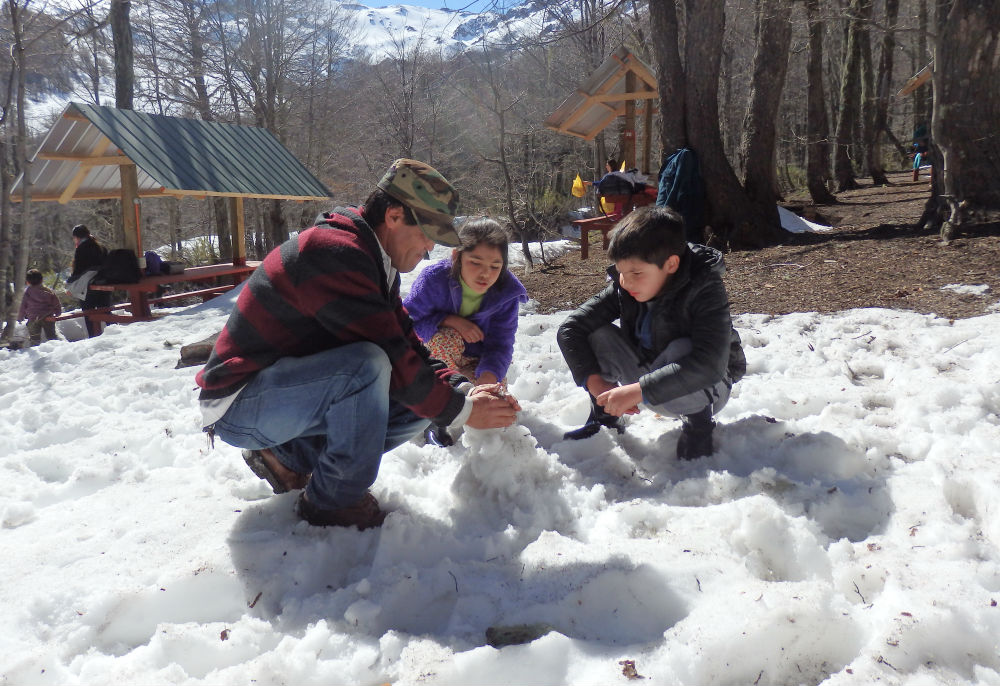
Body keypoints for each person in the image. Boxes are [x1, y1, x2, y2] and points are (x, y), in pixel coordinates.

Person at [196, 159, 521, 530]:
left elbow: (407, 343)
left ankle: (288, 458)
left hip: (287, 397)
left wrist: (463, 390)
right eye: (427, 232)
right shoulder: (334, 253)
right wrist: (462, 411)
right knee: (368, 365)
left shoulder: (373, 259)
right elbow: (388, 353)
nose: (430, 247)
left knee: (420, 401)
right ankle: (333, 501)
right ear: (395, 215)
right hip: (242, 402)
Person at [557, 205, 746, 460]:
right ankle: (605, 417)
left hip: (706, 389)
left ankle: (698, 428)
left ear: (671, 264)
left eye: (636, 273)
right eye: (621, 272)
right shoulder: (626, 286)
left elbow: (709, 365)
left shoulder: (705, 286)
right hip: (647, 376)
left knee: (683, 347)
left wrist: (636, 391)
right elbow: (571, 328)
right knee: (594, 333)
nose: (626, 282)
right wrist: (596, 384)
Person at [404, 216, 527, 386]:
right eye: (475, 263)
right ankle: (444, 390)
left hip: (480, 363)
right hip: (435, 364)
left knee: (496, 406)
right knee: (445, 339)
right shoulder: (434, 280)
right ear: (456, 256)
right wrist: (447, 320)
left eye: (495, 266)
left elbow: (500, 345)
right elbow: (408, 324)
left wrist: (487, 380)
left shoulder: (506, 293)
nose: (485, 274)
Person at [68, 225, 110, 338]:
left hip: (88, 287)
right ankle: (115, 332)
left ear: (76, 237)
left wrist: (71, 284)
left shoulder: (81, 249)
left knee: (89, 314)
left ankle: (94, 337)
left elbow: (78, 270)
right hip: (104, 283)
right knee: (106, 311)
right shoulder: (101, 247)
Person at [18, 269, 61, 346]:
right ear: (42, 279)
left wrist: (20, 316)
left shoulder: (27, 293)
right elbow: (56, 302)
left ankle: (35, 353)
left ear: (27, 282)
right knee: (51, 336)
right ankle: (56, 349)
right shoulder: (47, 290)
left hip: (33, 319)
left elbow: (22, 306)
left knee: (34, 339)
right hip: (48, 317)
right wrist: (58, 312)